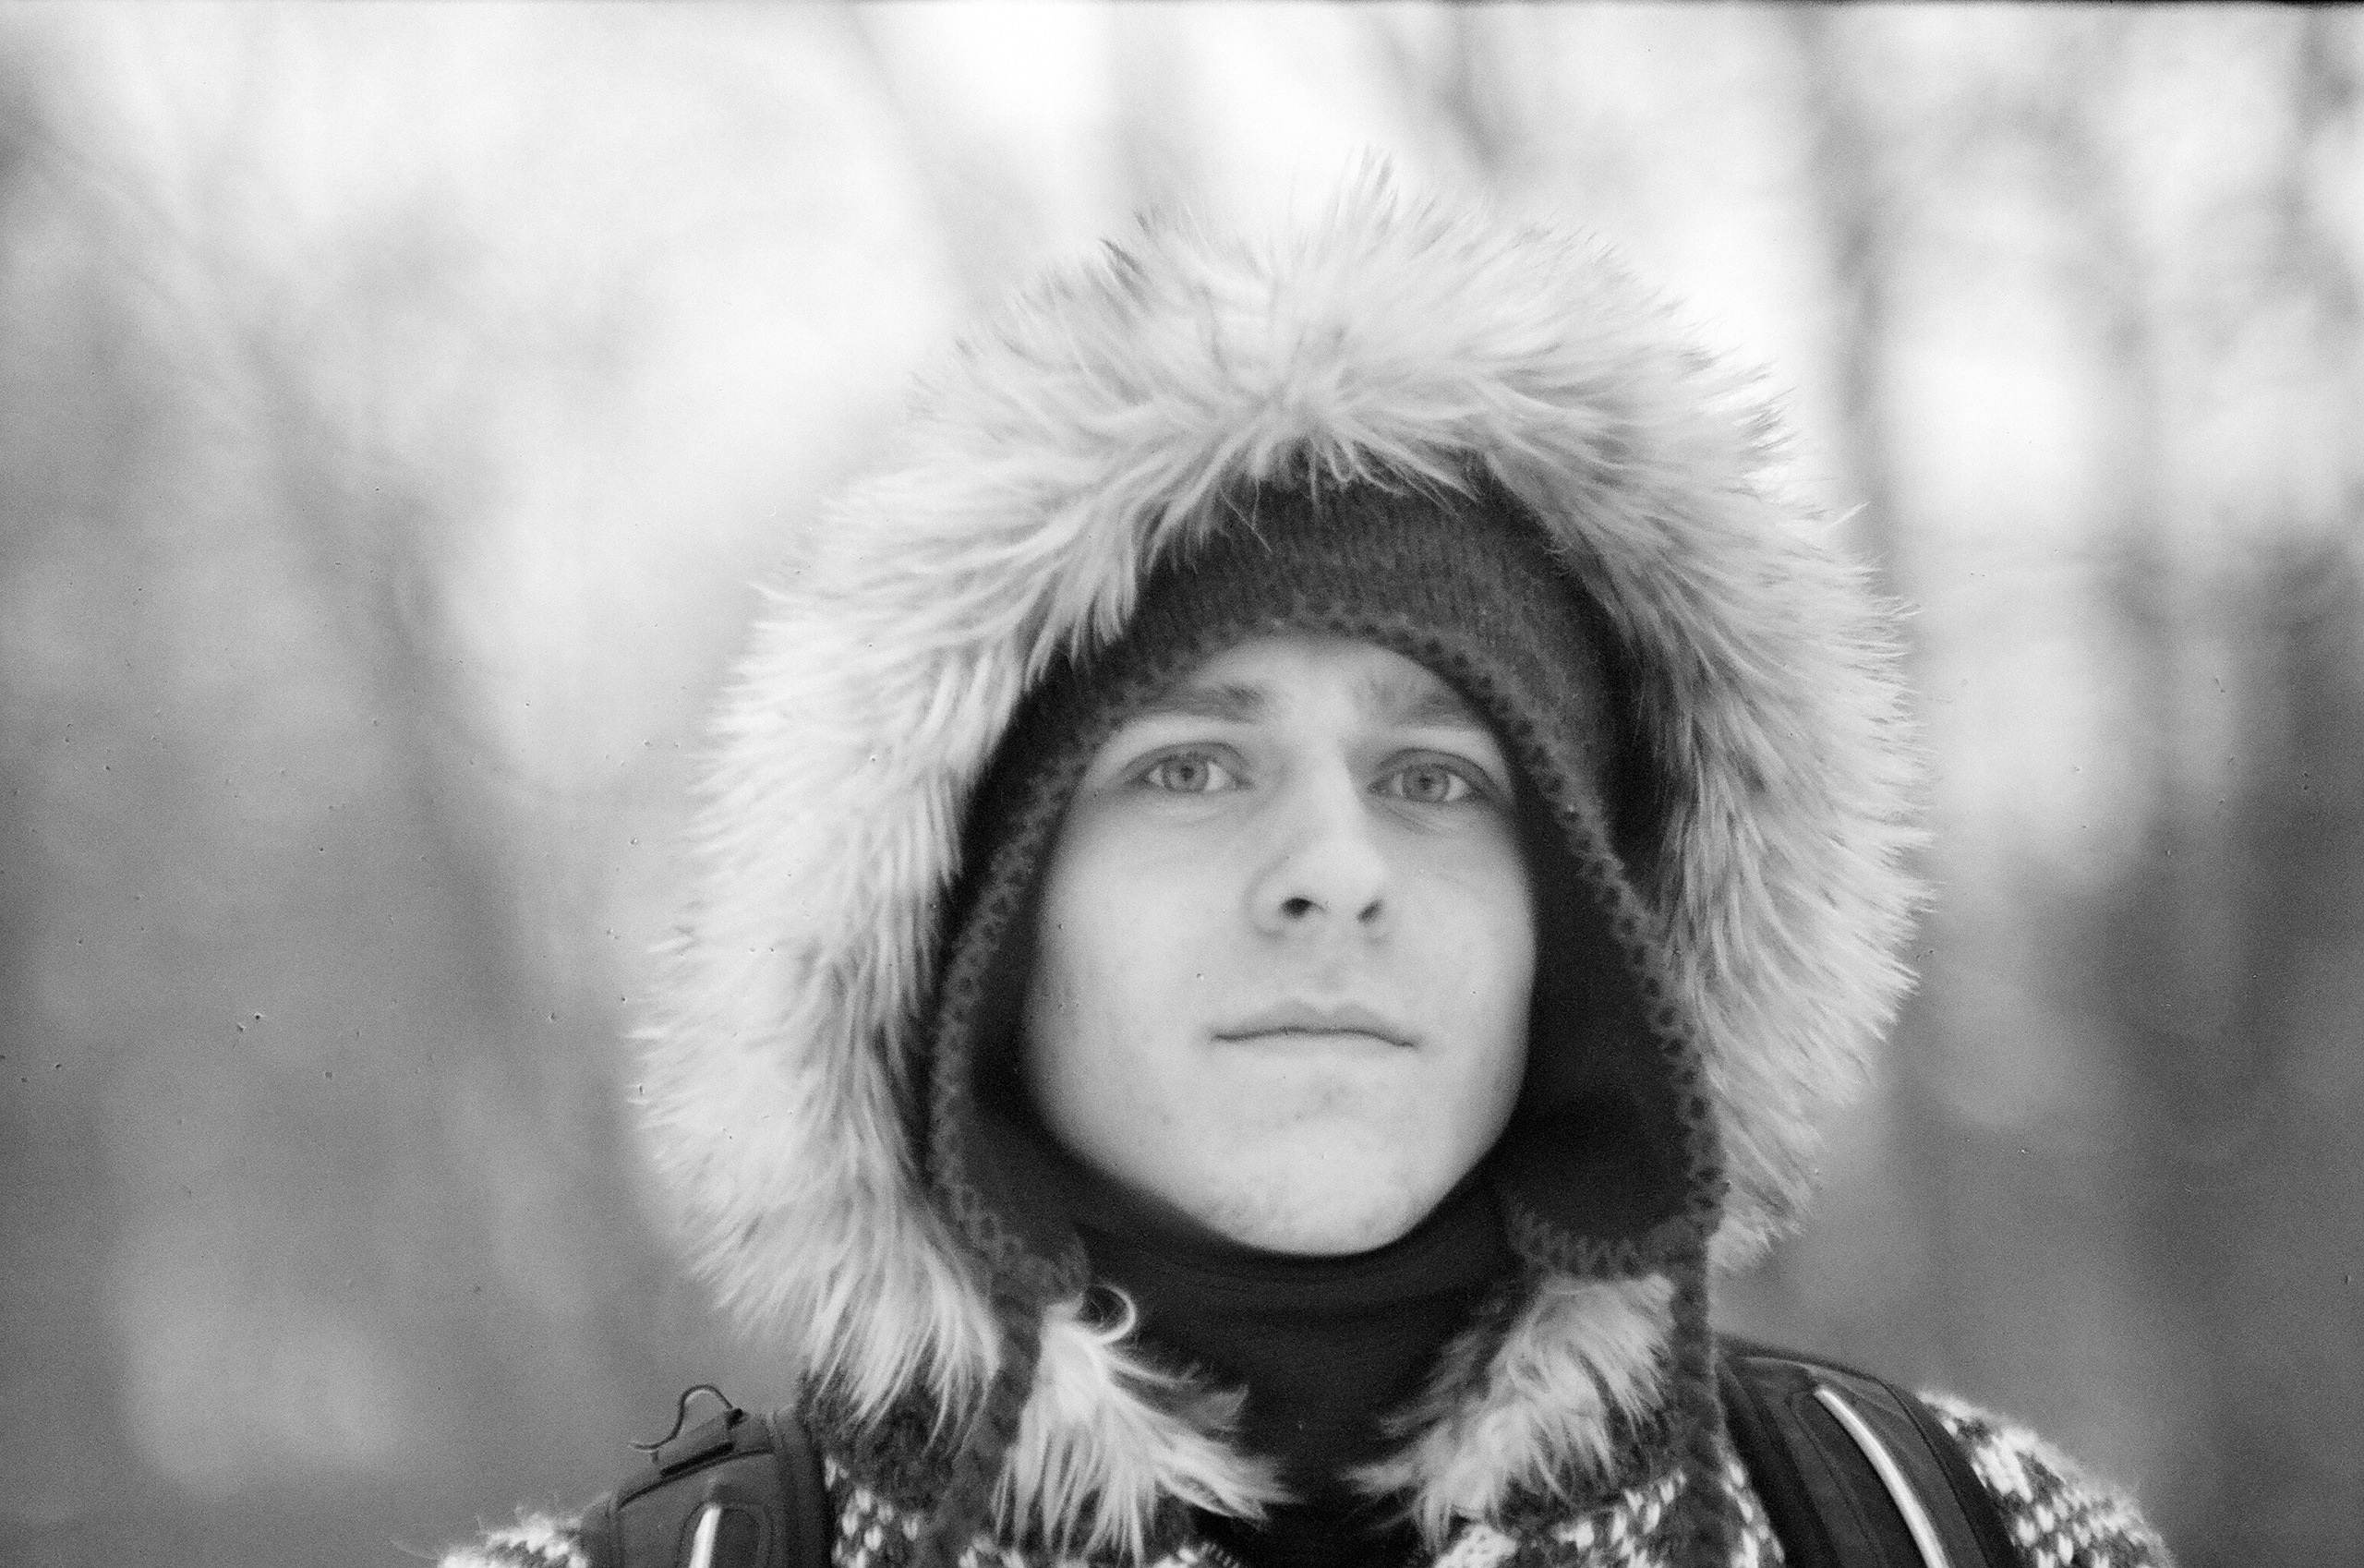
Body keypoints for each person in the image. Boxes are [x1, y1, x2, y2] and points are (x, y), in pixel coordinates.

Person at [445, 177, 2170, 1568]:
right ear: (976, 920)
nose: (1335, 872)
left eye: (1437, 775)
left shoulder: (1970, 1535)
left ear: (1589, 928)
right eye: (1190, 766)